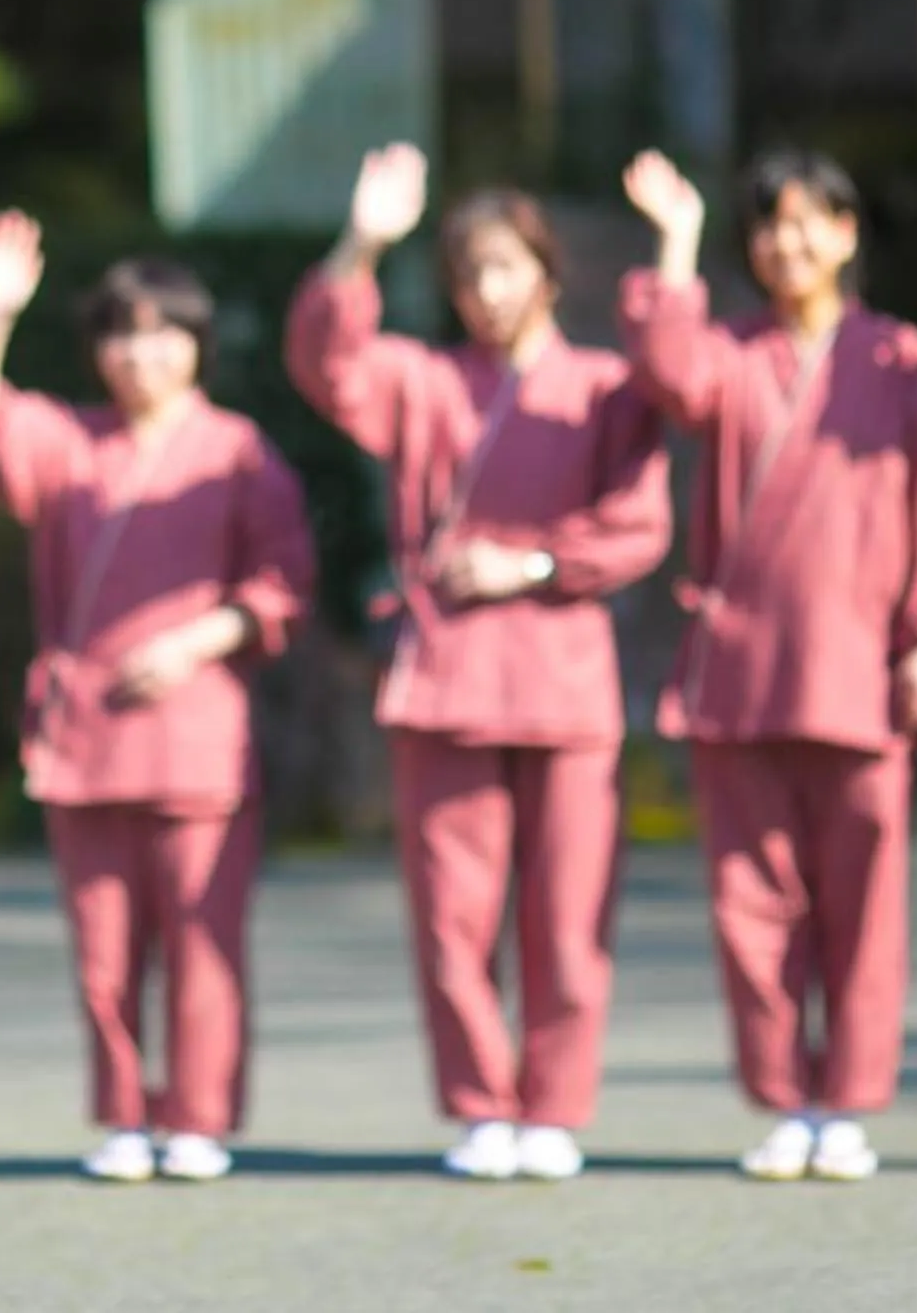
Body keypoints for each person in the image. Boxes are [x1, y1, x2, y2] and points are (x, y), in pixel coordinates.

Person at [285, 144, 671, 1182]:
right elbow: (328, 363)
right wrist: (364, 239)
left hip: (564, 677)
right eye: (469, 274)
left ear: (547, 272)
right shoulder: (423, 377)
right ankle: (477, 1101)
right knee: (452, 916)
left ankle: (553, 1104)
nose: (489, 291)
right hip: (450, 680)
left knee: (569, 909)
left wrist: (534, 560)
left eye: (507, 266)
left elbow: (641, 525)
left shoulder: (603, 386)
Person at [0, 211, 317, 1185]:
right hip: (86, 737)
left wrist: (198, 639)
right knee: (104, 953)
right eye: (120, 332)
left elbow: (284, 580)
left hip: (198, 738)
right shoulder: (67, 441)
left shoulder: (238, 448)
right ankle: (124, 1114)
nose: (141, 352)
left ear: (198, 345)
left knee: (202, 940)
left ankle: (197, 1116)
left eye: (163, 331)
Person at [615, 148, 917, 1183]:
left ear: (849, 232)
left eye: (812, 220)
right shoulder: (729, 353)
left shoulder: (903, 357)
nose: (791, 242)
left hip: (864, 665)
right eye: (770, 225)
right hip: (742, 670)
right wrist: (677, 236)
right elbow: (667, 372)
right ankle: (782, 1098)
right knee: (750, 901)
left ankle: (848, 1101)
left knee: (864, 901)